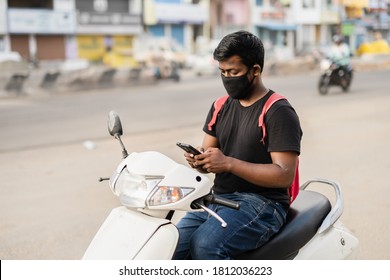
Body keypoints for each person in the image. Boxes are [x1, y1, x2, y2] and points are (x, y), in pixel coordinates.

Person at [173, 30, 302, 260]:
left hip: (263, 204)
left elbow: (284, 175)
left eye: (234, 72)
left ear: (255, 70)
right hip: (217, 199)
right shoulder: (220, 106)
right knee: (169, 245)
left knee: (205, 246)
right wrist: (200, 161)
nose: (227, 78)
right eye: (222, 72)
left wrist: (229, 163)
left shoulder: (278, 111)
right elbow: (209, 154)